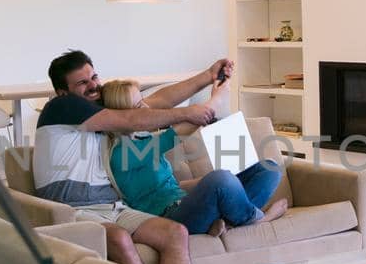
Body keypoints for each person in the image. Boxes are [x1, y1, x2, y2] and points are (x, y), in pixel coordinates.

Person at [32, 50, 225, 264]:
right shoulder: (62, 107)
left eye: (94, 77)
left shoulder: (97, 108)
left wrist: (207, 76)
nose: (93, 86)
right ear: (63, 91)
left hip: (114, 206)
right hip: (74, 208)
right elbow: (132, 120)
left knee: (175, 233)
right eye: (82, 83)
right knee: (119, 238)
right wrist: (189, 112)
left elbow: (154, 103)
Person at [100, 78, 287, 234]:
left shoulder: (143, 138)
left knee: (268, 168)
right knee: (221, 179)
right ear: (124, 115)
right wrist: (217, 99)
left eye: (143, 100)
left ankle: (229, 223)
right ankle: (260, 219)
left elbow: (174, 186)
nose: (147, 107)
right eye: (138, 104)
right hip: (172, 219)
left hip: (190, 205)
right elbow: (180, 132)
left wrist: (208, 184)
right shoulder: (122, 153)